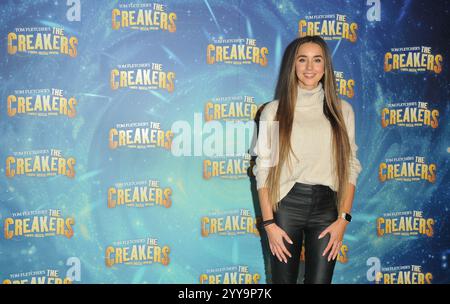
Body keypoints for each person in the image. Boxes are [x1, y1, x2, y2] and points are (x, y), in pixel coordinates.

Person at [252, 35, 362, 284]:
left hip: (327, 208)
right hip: (286, 207)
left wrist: (343, 219)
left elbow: (351, 167)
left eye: (317, 60)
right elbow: (264, 170)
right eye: (303, 60)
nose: (310, 68)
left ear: (326, 67)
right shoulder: (273, 111)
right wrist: (269, 223)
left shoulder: (343, 111)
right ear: (293, 65)